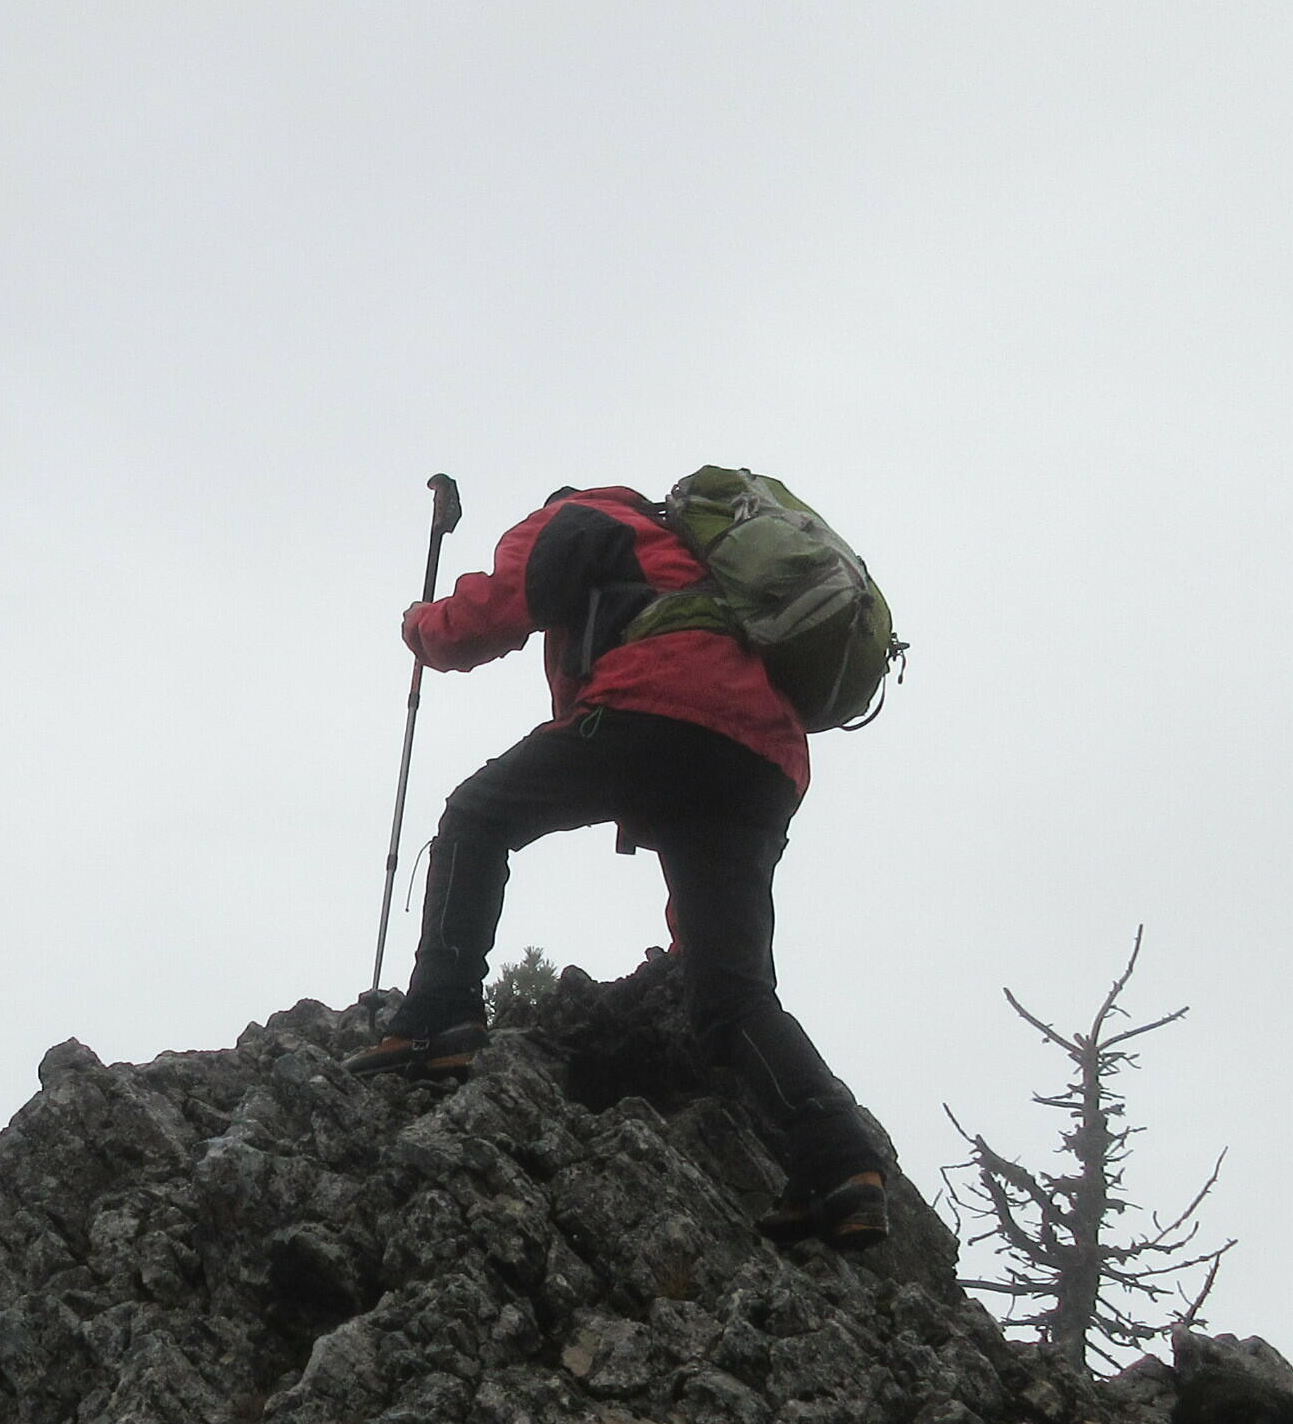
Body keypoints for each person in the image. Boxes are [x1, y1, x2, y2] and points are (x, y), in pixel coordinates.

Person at [347, 481, 892, 1251]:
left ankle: (439, 1016)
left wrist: (419, 627)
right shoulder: (691, 556)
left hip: (654, 706)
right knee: (732, 993)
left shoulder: (576, 518)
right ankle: (840, 1163)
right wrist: (694, 933)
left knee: (476, 818)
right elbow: (698, 775)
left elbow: (482, 619)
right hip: (764, 760)